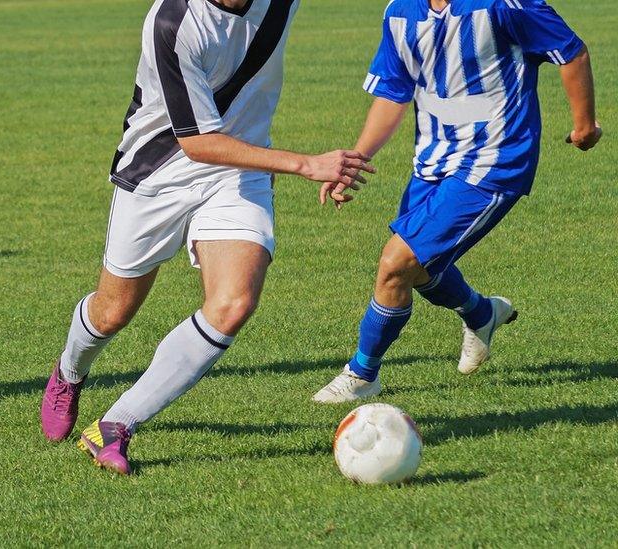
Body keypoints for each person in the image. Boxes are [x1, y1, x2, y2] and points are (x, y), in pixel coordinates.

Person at [39, 0, 374, 474]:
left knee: (233, 303)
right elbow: (198, 143)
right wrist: (306, 164)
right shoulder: (173, 21)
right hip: (159, 173)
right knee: (112, 312)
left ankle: (112, 427)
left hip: (239, 172)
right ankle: (69, 372)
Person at [312, 0, 601, 403]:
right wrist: (354, 161)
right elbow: (395, 92)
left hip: (496, 160)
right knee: (421, 269)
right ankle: (481, 314)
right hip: (432, 162)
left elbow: (570, 51)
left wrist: (584, 126)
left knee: (396, 264)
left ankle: (362, 374)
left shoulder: (503, 6)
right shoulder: (400, 12)